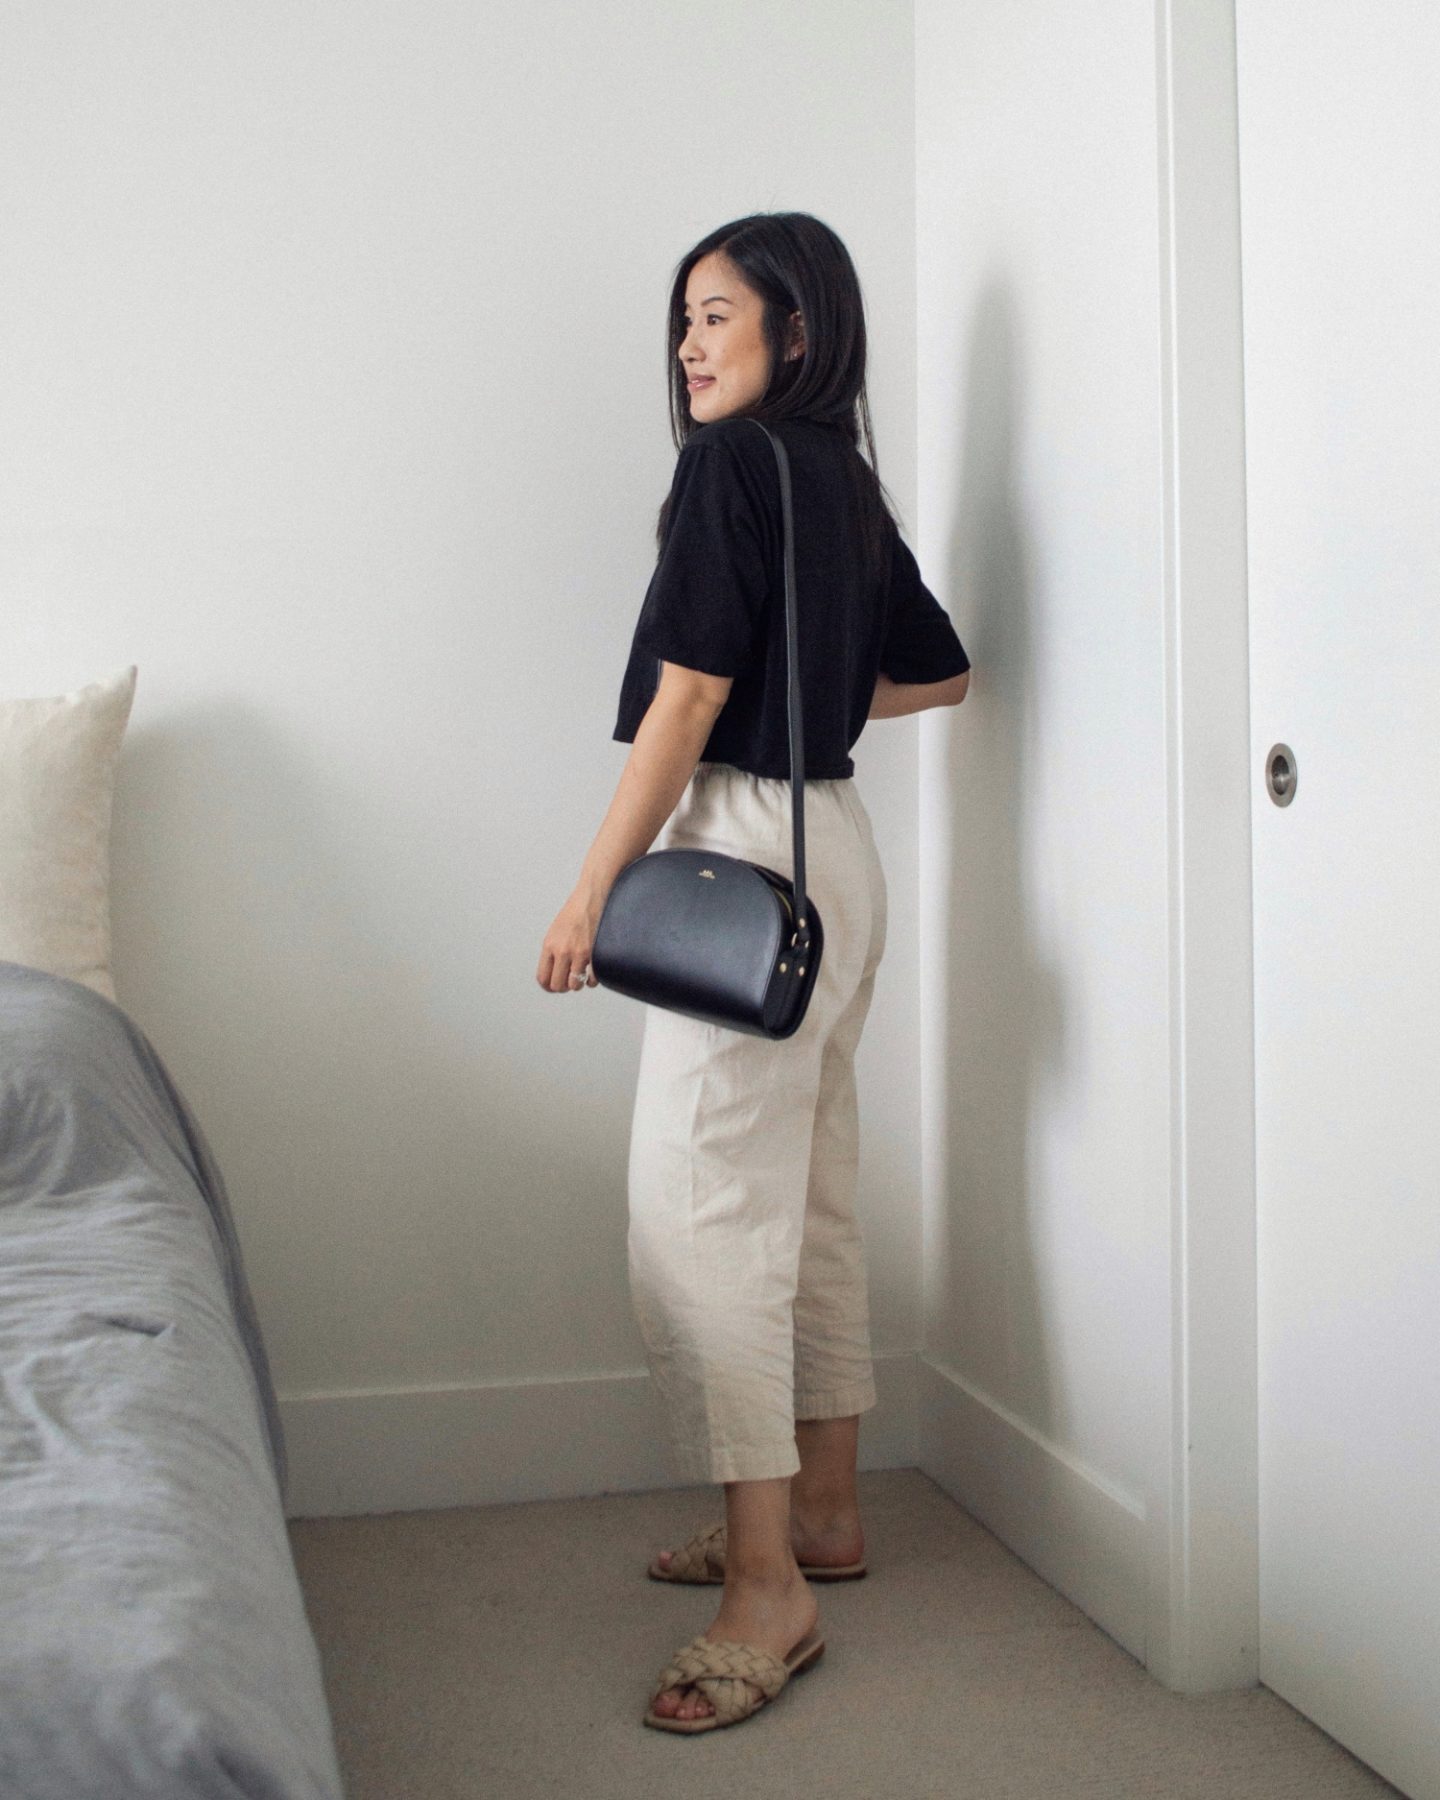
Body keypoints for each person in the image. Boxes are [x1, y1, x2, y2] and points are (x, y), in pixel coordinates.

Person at [536, 211, 971, 1733]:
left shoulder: (731, 467)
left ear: (798, 326)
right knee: (811, 1188)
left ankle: (767, 1591)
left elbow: (693, 693)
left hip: (739, 850)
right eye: (682, 323)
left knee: (705, 1206)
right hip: (836, 852)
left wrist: (591, 890)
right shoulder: (837, 476)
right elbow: (939, 665)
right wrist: (818, 686)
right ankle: (828, 1514)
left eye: (717, 316)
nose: (690, 346)